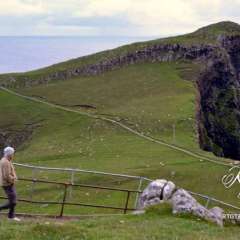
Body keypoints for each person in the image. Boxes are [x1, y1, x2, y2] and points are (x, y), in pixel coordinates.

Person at [0, 147, 20, 221]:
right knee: (13, 202)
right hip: (7, 184)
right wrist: (13, 179)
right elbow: (6, 175)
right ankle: (9, 215)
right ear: (10, 154)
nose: (13, 155)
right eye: (12, 153)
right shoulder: (5, 162)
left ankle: (11, 216)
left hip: (8, 183)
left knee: (13, 199)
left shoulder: (7, 160)